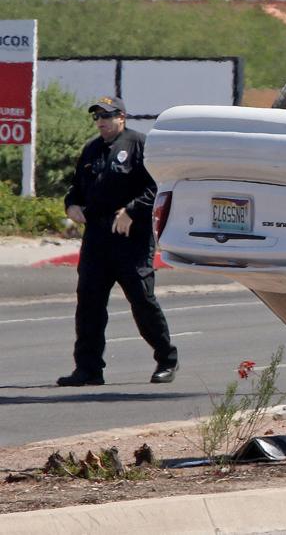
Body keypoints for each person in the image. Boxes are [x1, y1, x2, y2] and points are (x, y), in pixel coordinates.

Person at [57, 96, 178, 387]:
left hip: (131, 239)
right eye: (97, 117)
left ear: (122, 117)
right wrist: (71, 206)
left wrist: (132, 211)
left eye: (108, 116)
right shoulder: (91, 149)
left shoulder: (138, 144)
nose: (102, 121)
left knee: (142, 300)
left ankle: (166, 359)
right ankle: (88, 368)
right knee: (89, 303)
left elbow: (157, 186)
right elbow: (77, 189)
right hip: (97, 238)